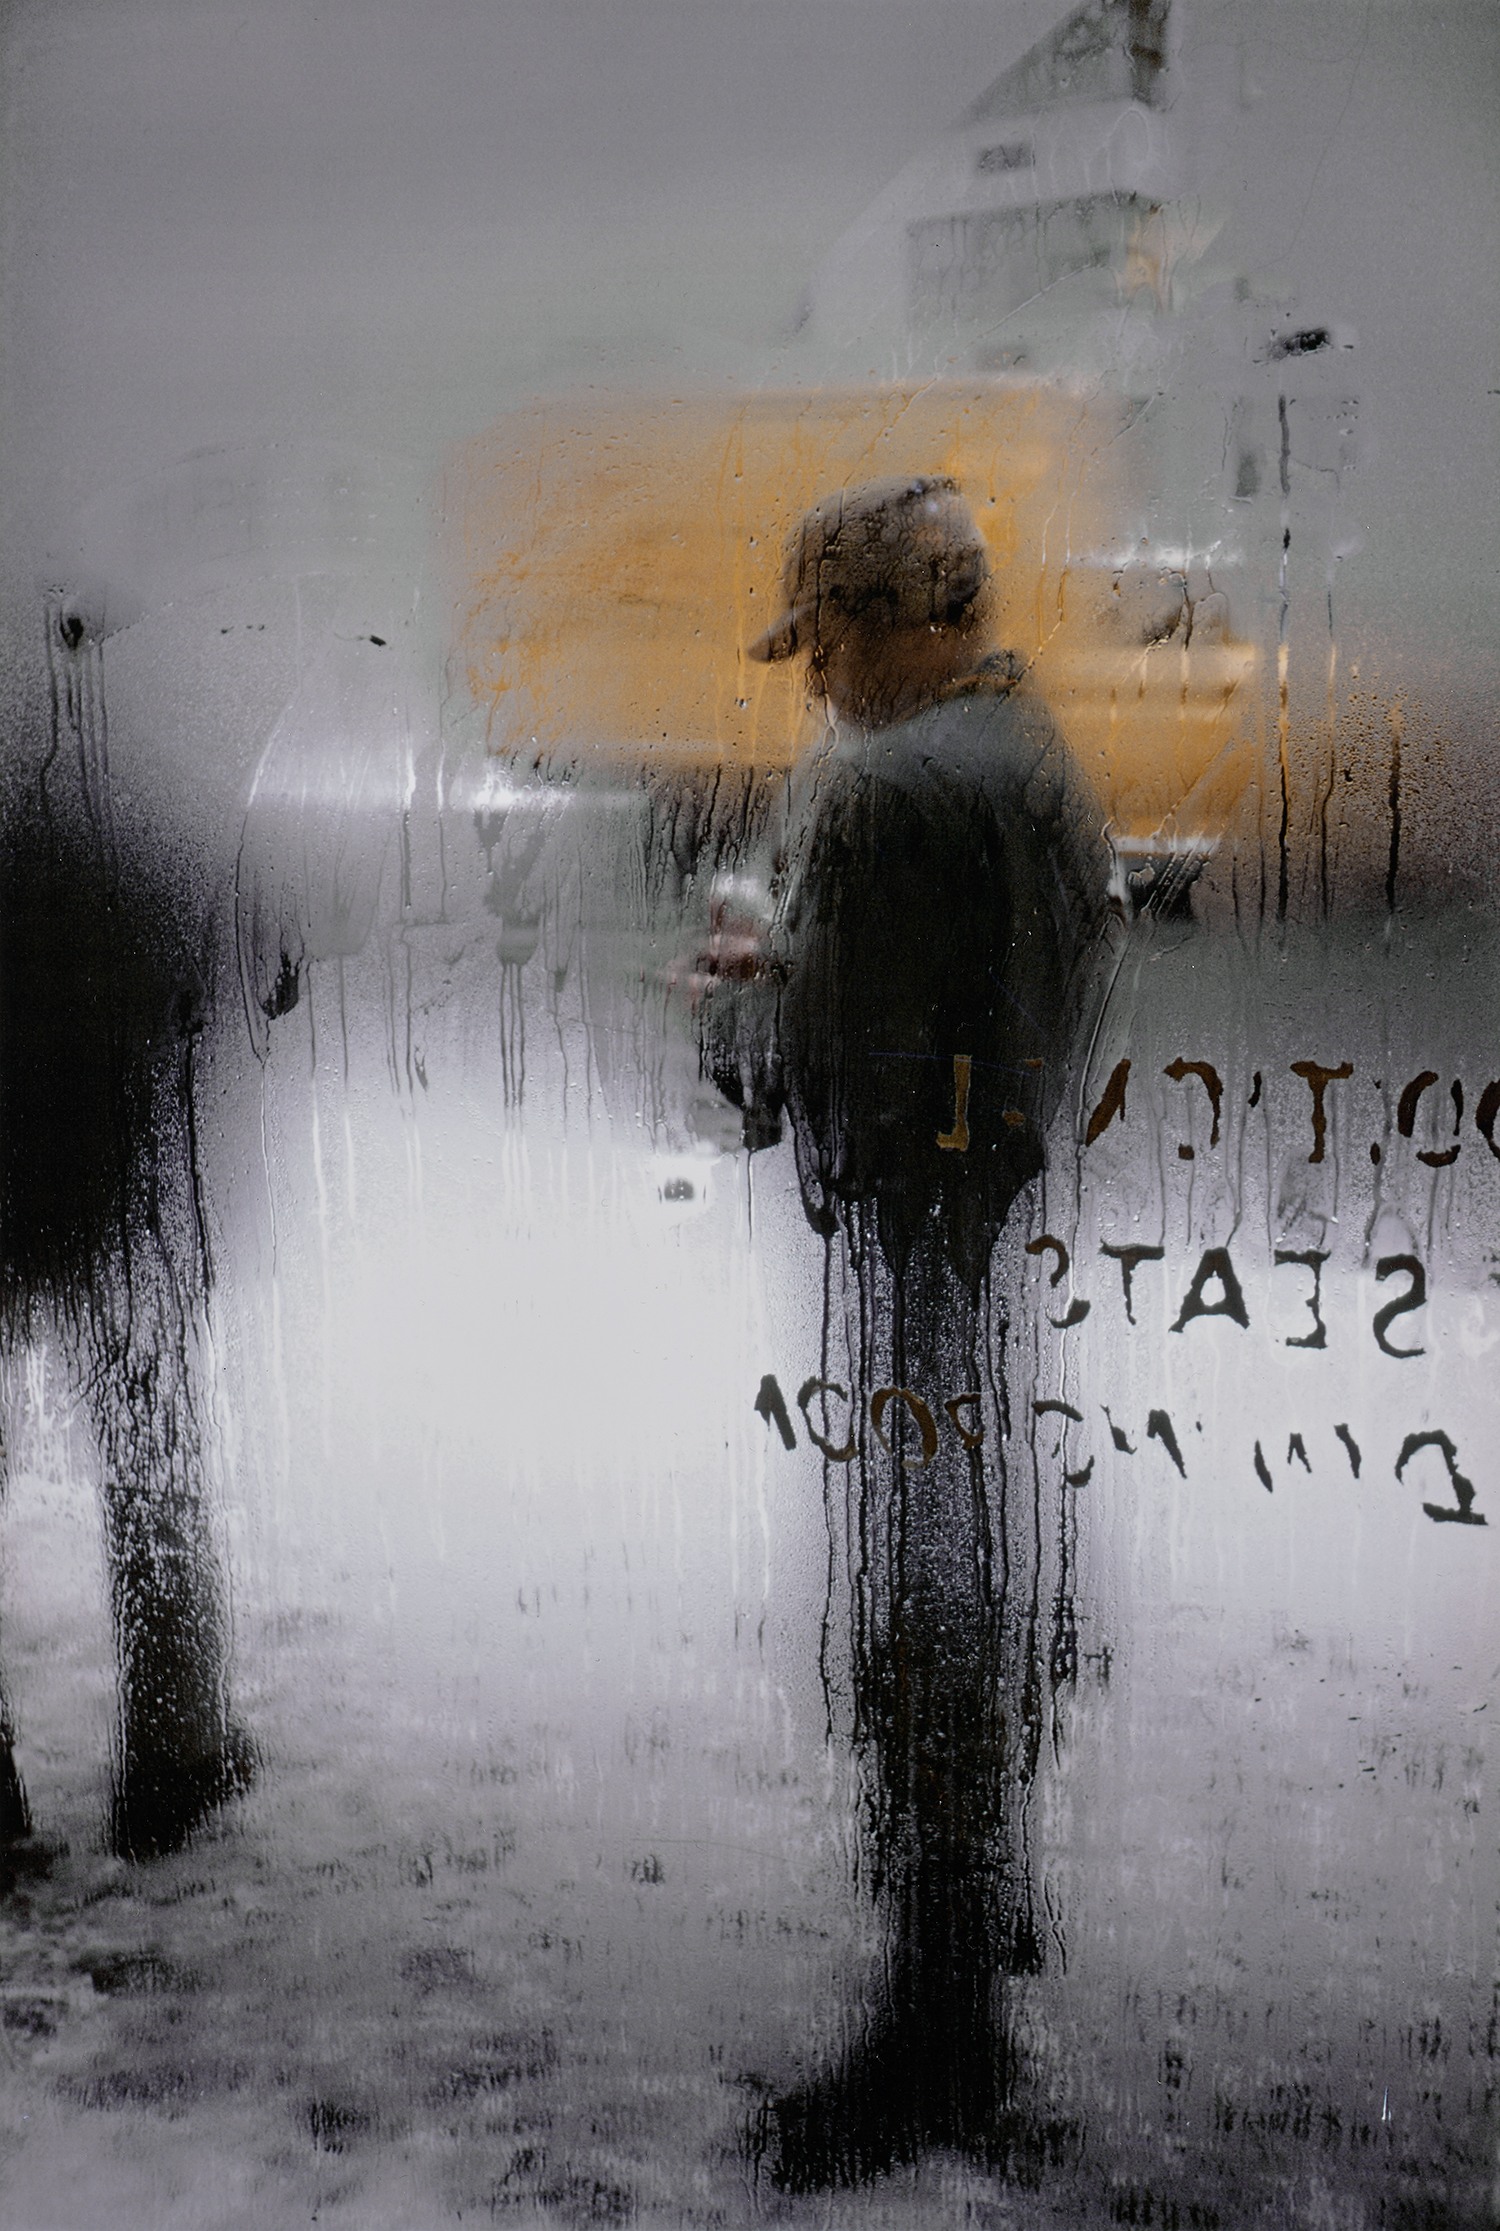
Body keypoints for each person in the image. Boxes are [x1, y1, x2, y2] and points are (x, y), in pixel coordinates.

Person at [705, 476, 1111, 2187]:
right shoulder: (1041, 766)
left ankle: (934, 2033)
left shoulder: (882, 800)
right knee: (982, 1574)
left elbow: (828, 1068)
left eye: (828, 645)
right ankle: (981, 1910)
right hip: (1001, 1225)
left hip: (911, 1251)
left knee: (920, 1606)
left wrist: (746, 1002)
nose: (815, 684)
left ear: (898, 625)